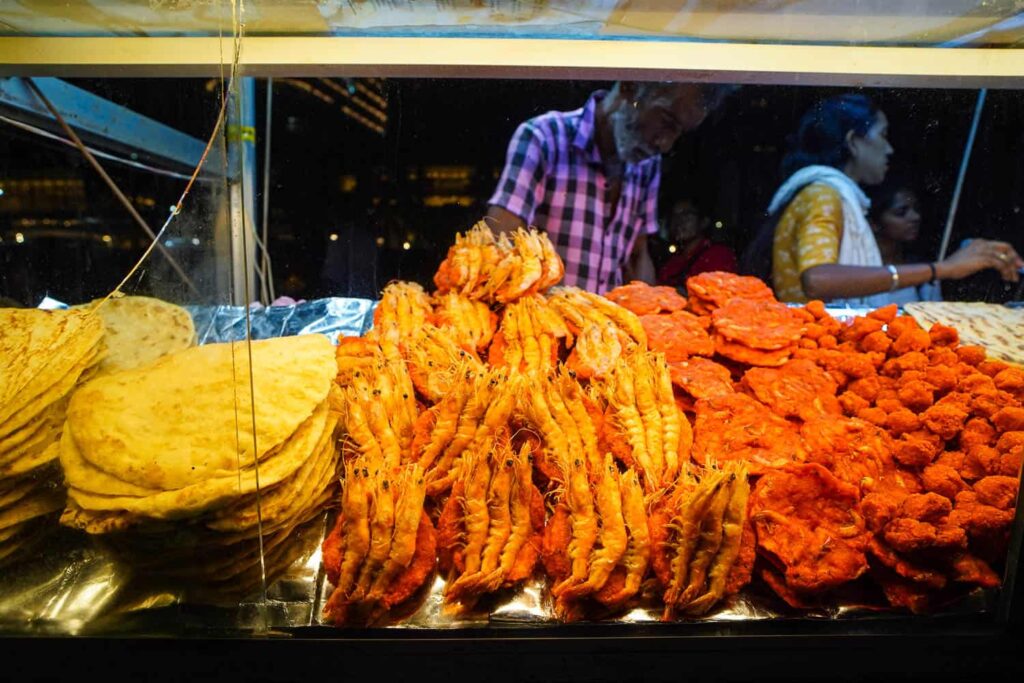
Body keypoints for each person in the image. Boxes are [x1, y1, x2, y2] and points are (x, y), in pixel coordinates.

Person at [763, 93, 1021, 307]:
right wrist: (941, 269)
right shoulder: (822, 195)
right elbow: (817, 279)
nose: (889, 149)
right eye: (883, 135)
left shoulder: (827, 194)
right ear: (854, 142)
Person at [486, 81, 734, 293]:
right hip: (542, 333)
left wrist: (650, 314)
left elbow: (638, 255)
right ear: (629, 88)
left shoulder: (646, 164)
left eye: (678, 132)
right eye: (666, 121)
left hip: (610, 336)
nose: (666, 144)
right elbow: (499, 239)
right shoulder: (543, 138)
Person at [866, 178, 940, 304]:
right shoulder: (855, 267)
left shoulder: (923, 268)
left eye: (916, 209)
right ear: (874, 223)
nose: (915, 217)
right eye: (901, 212)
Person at [656, 197, 737, 287]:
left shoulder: (718, 254)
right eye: (674, 215)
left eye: (686, 214)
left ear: (704, 222)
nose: (679, 221)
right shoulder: (671, 263)